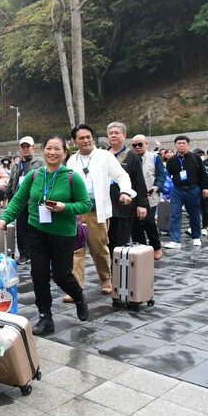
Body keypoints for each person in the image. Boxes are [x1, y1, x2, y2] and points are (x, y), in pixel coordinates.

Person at [0, 135, 92, 335]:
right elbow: (19, 199)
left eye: (57, 149)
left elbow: (86, 204)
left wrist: (65, 207)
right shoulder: (34, 175)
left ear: (65, 153)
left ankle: (79, 297)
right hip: (37, 231)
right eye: (49, 148)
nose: (52, 152)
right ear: (43, 150)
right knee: (38, 275)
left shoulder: (73, 177)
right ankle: (45, 317)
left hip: (63, 234)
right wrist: (5, 218)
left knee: (61, 275)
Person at [66, 124, 136, 295]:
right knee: (75, 250)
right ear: (75, 141)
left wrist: (125, 192)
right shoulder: (71, 161)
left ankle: (106, 278)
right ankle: (75, 286)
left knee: (99, 248)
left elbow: (121, 176)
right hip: (76, 212)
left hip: (96, 211)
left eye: (88, 137)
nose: (85, 141)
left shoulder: (105, 156)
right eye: (81, 138)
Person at [105, 122, 148, 254]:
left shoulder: (132, 156)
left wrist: (142, 204)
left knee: (120, 242)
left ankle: (118, 270)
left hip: (124, 206)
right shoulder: (103, 155)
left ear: (124, 135)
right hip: (106, 205)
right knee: (106, 241)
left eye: (116, 133)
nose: (113, 136)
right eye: (110, 133)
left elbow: (139, 181)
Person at [163, 135, 208, 249]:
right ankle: (175, 240)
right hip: (178, 190)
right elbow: (167, 176)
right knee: (175, 214)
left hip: (193, 189)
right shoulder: (172, 160)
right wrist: (166, 191)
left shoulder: (195, 157)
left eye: (183, 143)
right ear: (175, 145)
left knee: (194, 213)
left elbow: (203, 173)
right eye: (179, 143)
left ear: (188, 144)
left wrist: (205, 187)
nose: (181, 145)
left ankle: (196, 237)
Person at [6, 136, 44, 265]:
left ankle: (36, 252)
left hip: (35, 200)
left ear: (33, 147)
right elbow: (12, 181)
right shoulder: (16, 164)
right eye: (23, 147)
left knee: (35, 227)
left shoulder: (39, 162)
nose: (26, 149)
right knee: (21, 229)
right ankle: (24, 254)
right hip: (21, 200)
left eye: (28, 146)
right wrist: (7, 194)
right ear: (20, 148)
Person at [130, 134, 166, 260]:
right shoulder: (130, 157)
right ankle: (141, 248)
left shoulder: (155, 157)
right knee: (135, 224)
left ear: (146, 144)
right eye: (134, 145)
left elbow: (161, 175)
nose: (137, 147)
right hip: (133, 196)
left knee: (148, 221)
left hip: (150, 196)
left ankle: (156, 246)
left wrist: (157, 186)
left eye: (140, 144)